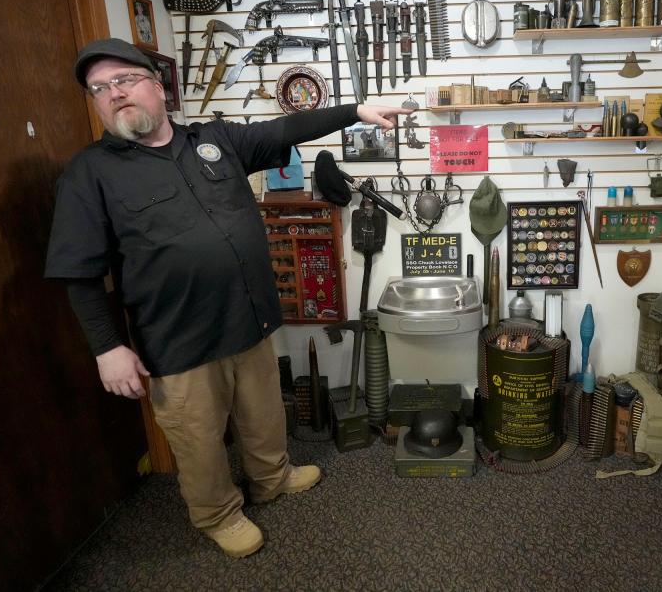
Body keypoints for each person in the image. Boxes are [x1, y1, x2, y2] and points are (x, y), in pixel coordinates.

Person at [45, 38, 412, 558]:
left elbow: (284, 129)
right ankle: (217, 513)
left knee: (263, 412)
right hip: (178, 339)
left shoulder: (213, 140)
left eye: (125, 80)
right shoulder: (90, 173)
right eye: (100, 89)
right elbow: (78, 274)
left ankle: (272, 477)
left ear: (156, 84)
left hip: (250, 318)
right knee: (197, 438)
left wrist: (355, 111)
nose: (114, 94)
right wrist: (107, 347)